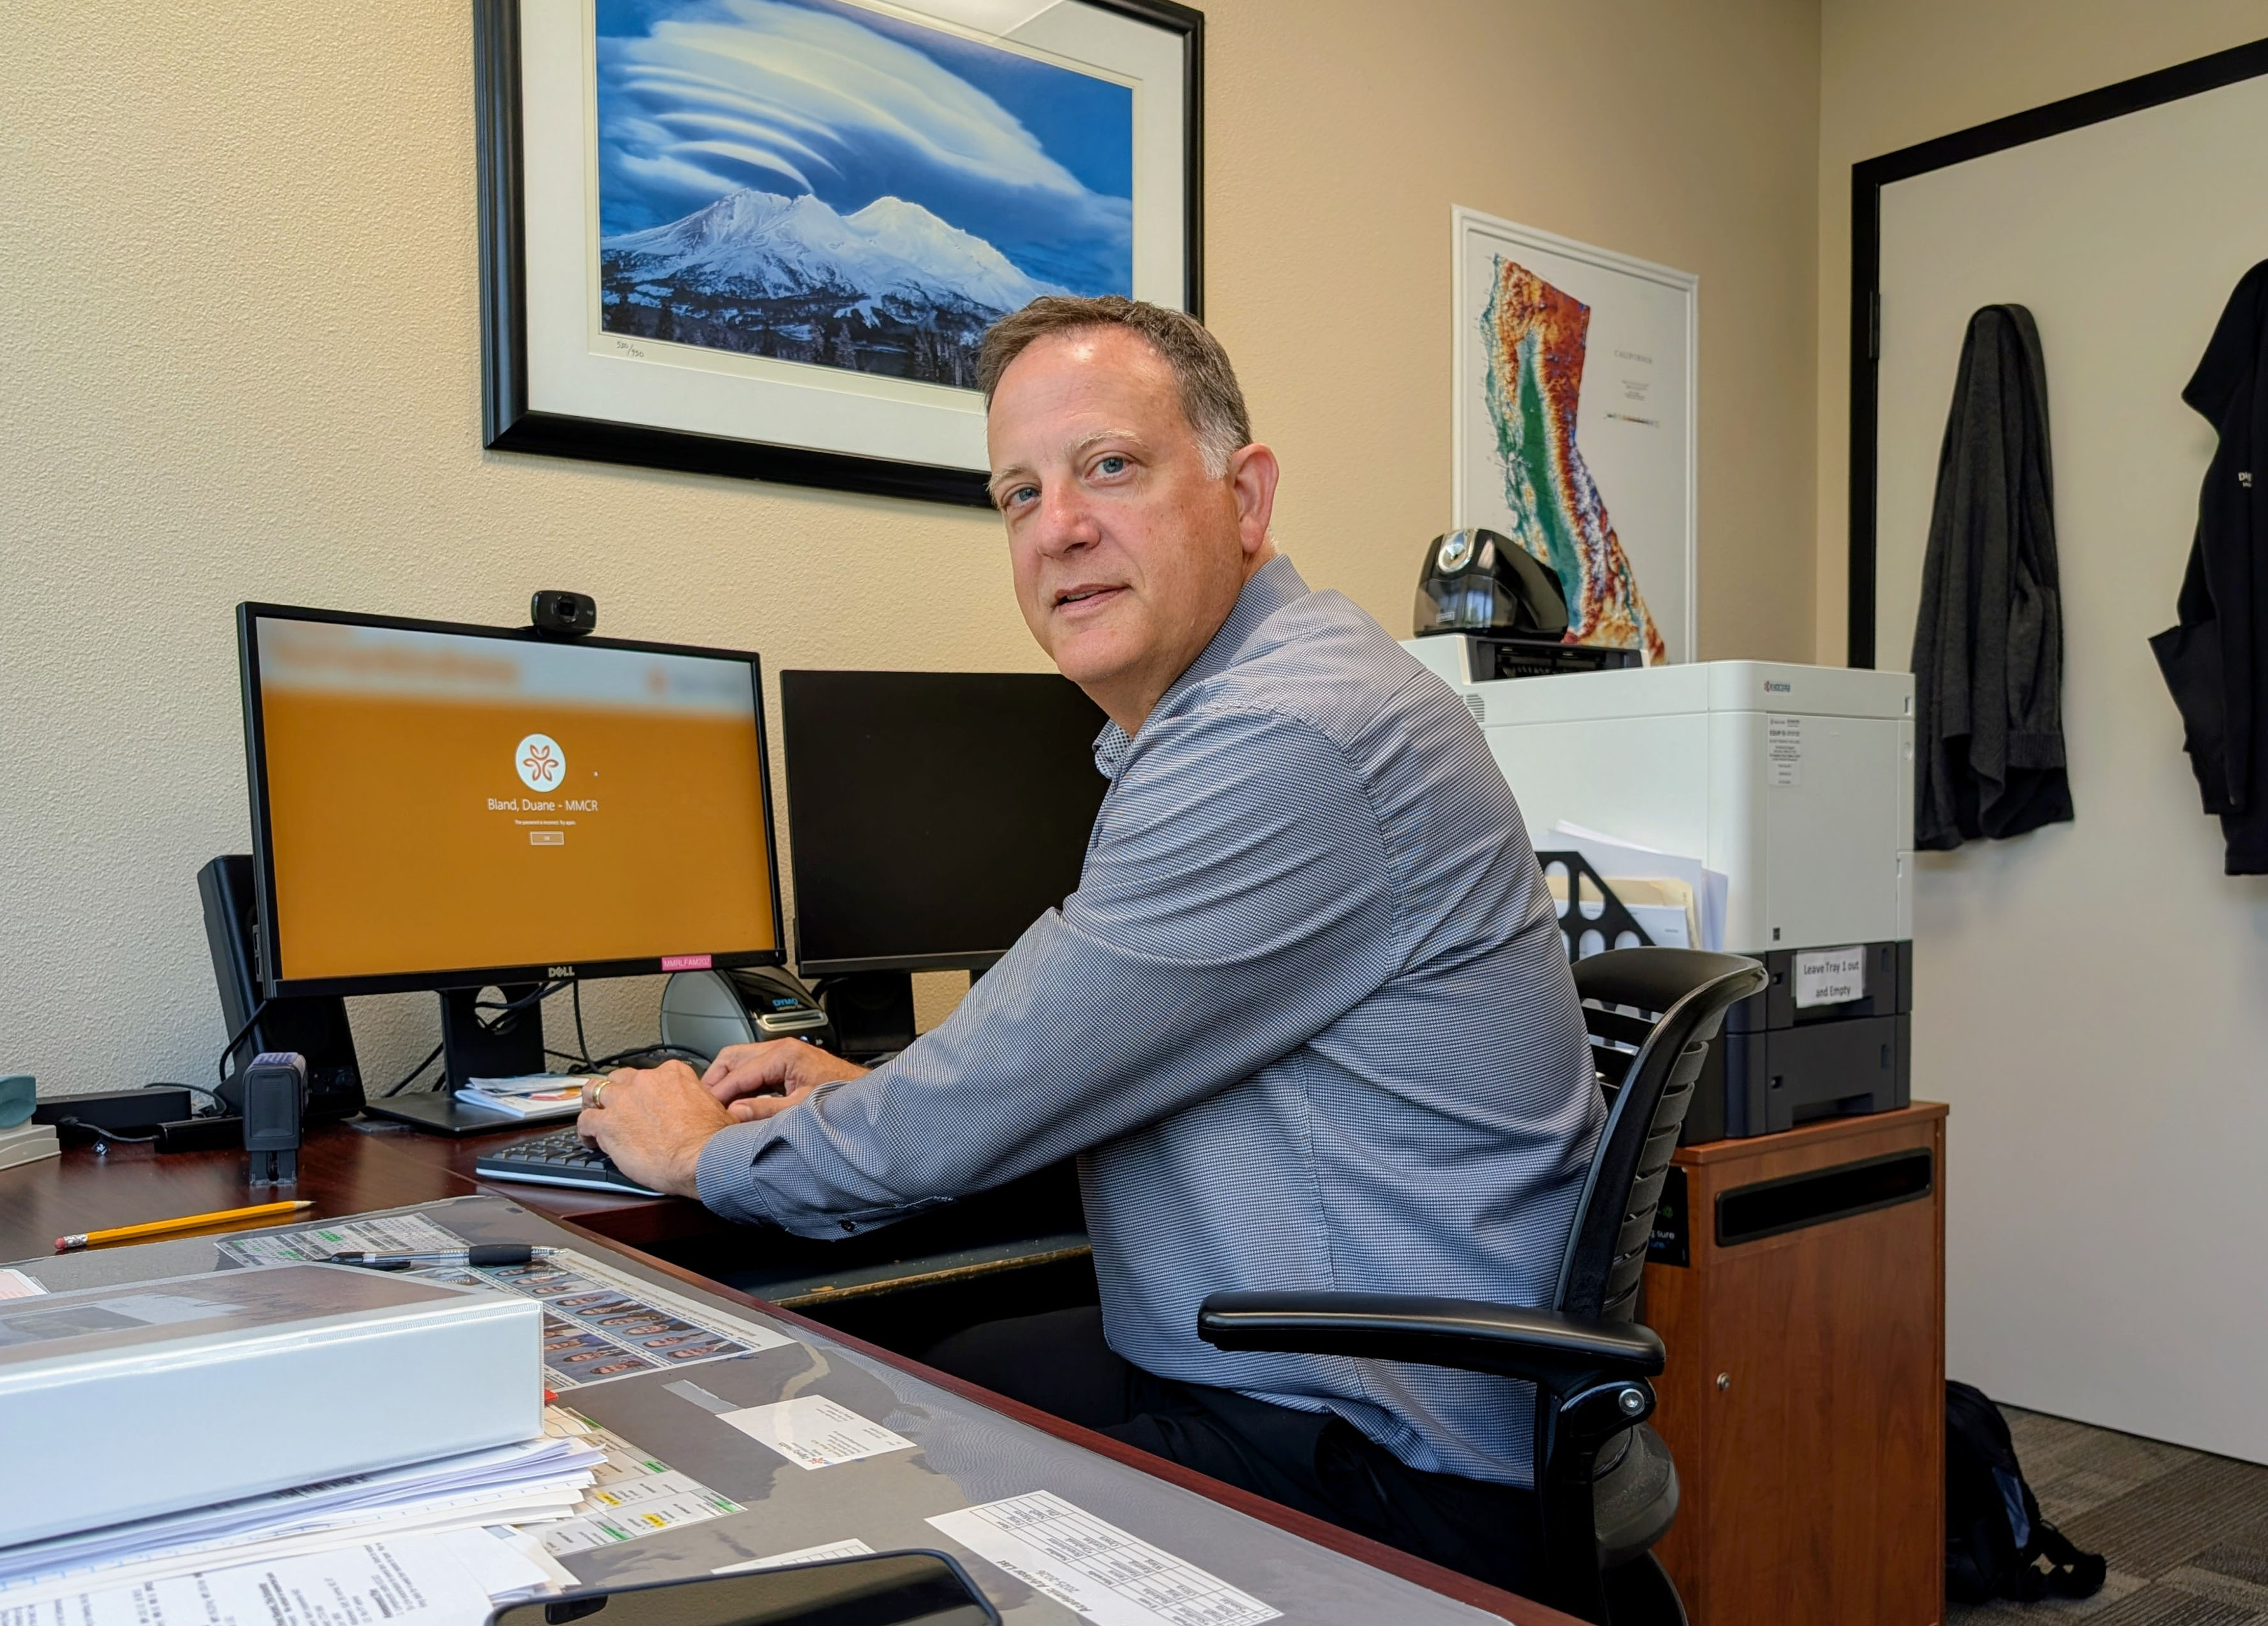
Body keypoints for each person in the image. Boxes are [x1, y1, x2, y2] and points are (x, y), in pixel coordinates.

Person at [577, 295, 1603, 1594]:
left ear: (1248, 495)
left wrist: (699, 1148)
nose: (1058, 527)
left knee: (841, 1488)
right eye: (1018, 493)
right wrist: (872, 1087)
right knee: (940, 1358)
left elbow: (989, 1100)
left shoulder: (1284, 738)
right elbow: (1063, 1055)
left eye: (1110, 466)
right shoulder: (1254, 701)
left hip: (1381, 1454)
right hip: (1332, 1361)